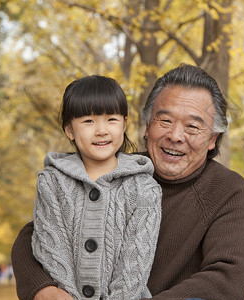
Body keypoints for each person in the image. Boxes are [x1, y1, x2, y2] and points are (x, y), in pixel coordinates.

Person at [11, 64, 244, 300]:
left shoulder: (226, 189)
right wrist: (43, 289)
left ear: (213, 138)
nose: (175, 136)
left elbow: (224, 278)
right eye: (165, 121)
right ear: (147, 126)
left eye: (192, 126)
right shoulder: (116, 170)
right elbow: (33, 235)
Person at [30, 75, 162, 299]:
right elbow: (52, 252)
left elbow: (135, 266)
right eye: (88, 121)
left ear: (124, 125)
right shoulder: (52, 182)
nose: (101, 130)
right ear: (69, 130)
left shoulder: (144, 188)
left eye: (111, 119)